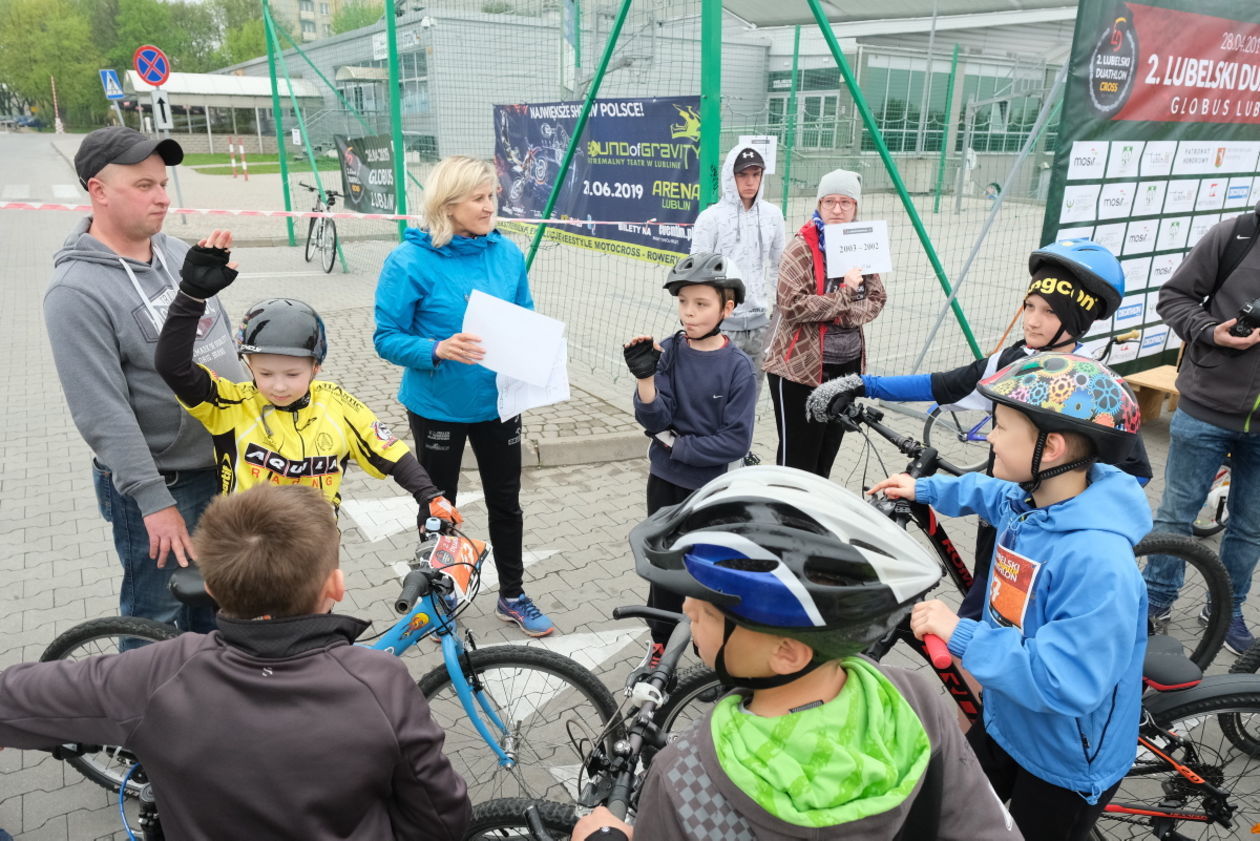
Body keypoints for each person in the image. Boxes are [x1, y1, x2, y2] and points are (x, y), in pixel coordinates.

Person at [0, 483, 472, 841]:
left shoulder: (157, 674)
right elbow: (439, 816)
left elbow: (13, 699)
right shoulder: (380, 682)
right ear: (335, 586)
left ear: (211, 588)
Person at [573, 466, 1021, 841]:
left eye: (708, 610)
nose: (686, 609)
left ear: (788, 653)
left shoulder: (684, 777)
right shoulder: (914, 699)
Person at [869, 353, 1150, 841]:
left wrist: (960, 633)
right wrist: (924, 488)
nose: (988, 436)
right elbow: (987, 493)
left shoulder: (1097, 562)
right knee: (950, 815)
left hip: (1063, 759)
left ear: (1052, 447)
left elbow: (1065, 681)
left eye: (999, 426)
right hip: (1006, 718)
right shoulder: (1033, 500)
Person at [807, 238, 1151, 618]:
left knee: (1006, 622)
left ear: (1077, 320)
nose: (1032, 320)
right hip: (1002, 512)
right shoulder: (1014, 360)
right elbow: (942, 384)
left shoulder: (1098, 389)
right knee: (986, 603)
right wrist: (863, 385)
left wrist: (1071, 513)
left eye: (1050, 312)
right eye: (1029, 306)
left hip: (1055, 535)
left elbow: (1135, 472)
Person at [45, 126, 243, 632]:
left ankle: (202, 707)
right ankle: (138, 711)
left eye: (162, 183)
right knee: (157, 620)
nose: (161, 196)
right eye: (144, 185)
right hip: (162, 485)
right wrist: (155, 503)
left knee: (219, 609)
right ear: (99, 191)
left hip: (220, 468)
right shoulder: (76, 291)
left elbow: (218, 340)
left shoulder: (176, 252)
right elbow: (101, 412)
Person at [154, 231, 461, 530]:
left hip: (315, 552)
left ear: (316, 368)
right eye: (264, 373)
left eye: (292, 374)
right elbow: (173, 367)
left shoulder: (335, 403)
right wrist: (191, 296)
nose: (278, 386)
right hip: (246, 553)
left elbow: (390, 452)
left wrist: (428, 495)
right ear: (248, 365)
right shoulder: (231, 404)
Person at [374, 155, 553, 637]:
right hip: (436, 407)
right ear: (447, 204)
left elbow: (524, 321)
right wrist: (435, 348)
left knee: (506, 501)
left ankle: (512, 595)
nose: (490, 205)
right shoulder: (409, 261)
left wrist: (538, 357)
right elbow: (385, 336)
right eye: (478, 197)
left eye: (492, 195)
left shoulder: (508, 255)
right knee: (438, 505)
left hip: (496, 405)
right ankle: (438, 595)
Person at [622, 252, 757, 664]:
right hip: (664, 479)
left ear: (726, 308)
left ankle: (707, 643)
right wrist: (646, 381)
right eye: (684, 302)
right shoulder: (670, 351)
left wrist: (679, 446)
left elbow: (734, 441)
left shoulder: (738, 368)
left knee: (703, 567)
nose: (690, 313)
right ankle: (661, 640)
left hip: (710, 488)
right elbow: (654, 417)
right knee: (663, 563)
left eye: (701, 304)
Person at [1147, 204, 1260, 654]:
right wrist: (1212, 332)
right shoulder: (1234, 236)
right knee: (1175, 515)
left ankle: (1225, 608)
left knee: (1251, 529)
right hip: (1206, 407)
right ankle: (1154, 601)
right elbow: (1173, 298)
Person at [763, 168, 886, 476]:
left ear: (856, 207)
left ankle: (813, 520)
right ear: (818, 204)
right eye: (829, 201)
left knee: (825, 459)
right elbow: (791, 306)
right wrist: (844, 295)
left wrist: (842, 314)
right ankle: (788, 517)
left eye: (846, 202)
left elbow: (877, 298)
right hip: (798, 371)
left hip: (845, 368)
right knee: (797, 462)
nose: (837, 209)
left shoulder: (861, 243)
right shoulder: (801, 247)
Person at [690, 145, 785, 370]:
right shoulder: (710, 218)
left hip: (760, 324)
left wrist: (773, 308)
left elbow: (779, 265)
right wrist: (711, 316)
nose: (750, 182)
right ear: (729, 176)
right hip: (722, 325)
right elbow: (696, 273)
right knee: (716, 391)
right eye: (742, 174)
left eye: (756, 174)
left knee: (751, 391)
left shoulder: (773, 215)